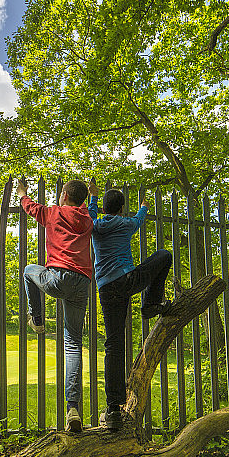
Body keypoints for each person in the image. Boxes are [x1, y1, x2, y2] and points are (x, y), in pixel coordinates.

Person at [87, 181, 172, 431]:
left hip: (106, 287)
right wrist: (144, 207)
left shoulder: (95, 225)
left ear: (104, 208)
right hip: (128, 279)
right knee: (164, 256)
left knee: (113, 344)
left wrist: (92, 197)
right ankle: (151, 303)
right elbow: (138, 221)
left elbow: (91, 214)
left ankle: (113, 409)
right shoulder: (125, 224)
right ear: (122, 208)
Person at [18, 179, 93, 433]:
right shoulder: (87, 219)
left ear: (63, 195)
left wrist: (21, 193)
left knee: (29, 270)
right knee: (73, 343)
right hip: (82, 282)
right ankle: (73, 408)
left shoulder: (53, 212)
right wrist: (92, 197)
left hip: (57, 277)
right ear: (82, 200)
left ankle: (36, 320)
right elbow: (91, 210)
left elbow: (31, 208)